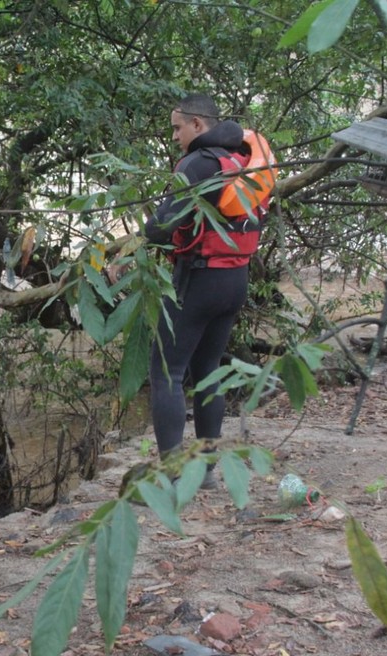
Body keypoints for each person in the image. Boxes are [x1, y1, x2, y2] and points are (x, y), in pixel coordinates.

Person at [133, 93, 273, 488]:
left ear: (198, 125)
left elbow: (159, 227)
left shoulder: (197, 163)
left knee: (167, 373)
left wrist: (149, 233)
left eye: (178, 127)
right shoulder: (240, 161)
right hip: (235, 281)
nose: (175, 136)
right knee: (207, 372)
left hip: (199, 279)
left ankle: (175, 476)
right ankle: (207, 471)